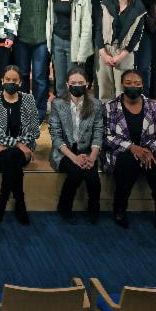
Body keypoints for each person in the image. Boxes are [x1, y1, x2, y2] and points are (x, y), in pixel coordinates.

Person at [103, 69, 156, 230]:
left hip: (148, 151)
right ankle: (120, 208)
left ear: (143, 85)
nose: (133, 86)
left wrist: (146, 150)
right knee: (127, 163)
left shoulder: (153, 105)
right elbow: (107, 136)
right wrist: (132, 147)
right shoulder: (110, 107)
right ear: (122, 85)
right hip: (121, 153)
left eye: (137, 83)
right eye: (129, 83)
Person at [48, 68, 103, 224]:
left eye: (81, 83)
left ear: (87, 84)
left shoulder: (96, 105)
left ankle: (94, 208)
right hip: (65, 151)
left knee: (93, 178)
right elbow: (56, 137)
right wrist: (74, 158)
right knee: (76, 172)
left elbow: (98, 133)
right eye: (73, 83)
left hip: (88, 151)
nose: (77, 85)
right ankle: (64, 207)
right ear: (67, 84)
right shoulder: (58, 104)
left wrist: (92, 157)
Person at [0, 65, 38, 224]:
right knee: (13, 157)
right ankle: (19, 203)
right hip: (1, 148)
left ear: (20, 82)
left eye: (14, 80)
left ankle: (2, 203)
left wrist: (12, 144)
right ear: (2, 81)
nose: (11, 82)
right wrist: (19, 144)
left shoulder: (28, 99)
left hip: (18, 149)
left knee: (11, 156)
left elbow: (35, 131)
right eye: (7, 79)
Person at [94, 0, 147, 101]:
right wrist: (103, 53)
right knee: (105, 88)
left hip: (125, 53)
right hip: (104, 51)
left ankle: (121, 118)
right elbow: (98, 30)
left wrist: (121, 56)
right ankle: (106, 117)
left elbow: (136, 36)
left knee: (122, 89)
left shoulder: (139, 9)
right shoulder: (105, 4)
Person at [13, 0, 51, 122]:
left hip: (42, 38)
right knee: (22, 75)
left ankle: (39, 109)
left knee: (39, 77)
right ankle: (22, 109)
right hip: (21, 37)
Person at [46, 0, 93, 97]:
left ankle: (76, 112)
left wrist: (82, 52)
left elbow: (86, 24)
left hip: (74, 44)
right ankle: (62, 111)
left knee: (74, 80)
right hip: (57, 41)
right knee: (59, 81)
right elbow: (50, 19)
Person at [130, 0, 156, 92]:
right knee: (128, 66)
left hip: (147, 29)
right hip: (129, 28)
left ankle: (145, 98)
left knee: (144, 67)